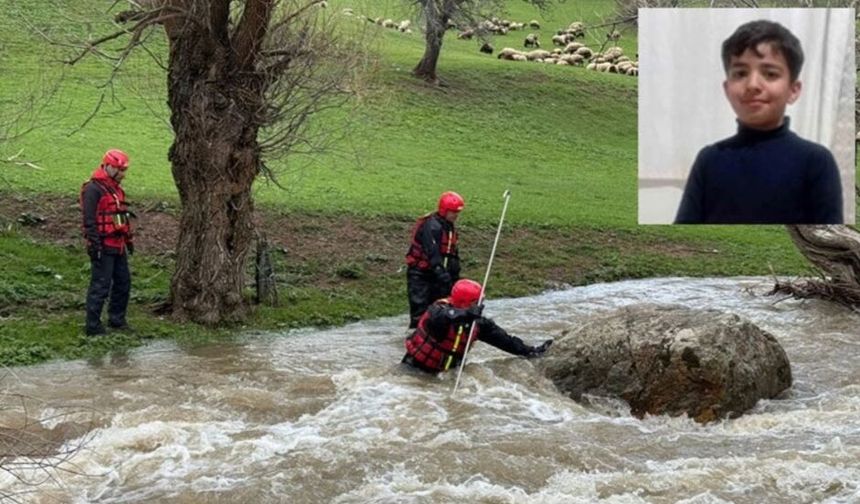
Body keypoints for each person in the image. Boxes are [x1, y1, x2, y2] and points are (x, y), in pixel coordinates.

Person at [674, 19, 843, 225]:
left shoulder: (816, 162)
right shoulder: (710, 160)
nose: (753, 84)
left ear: (793, 90)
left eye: (770, 74)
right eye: (741, 73)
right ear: (727, 89)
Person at [402, 279, 553, 374]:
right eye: (477, 301)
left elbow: (506, 342)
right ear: (465, 302)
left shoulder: (477, 324)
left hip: (446, 374)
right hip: (413, 369)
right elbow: (448, 316)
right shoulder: (437, 312)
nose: (481, 304)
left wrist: (532, 351)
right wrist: (467, 313)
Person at [80, 149, 135, 336]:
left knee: (123, 283)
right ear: (109, 166)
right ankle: (93, 326)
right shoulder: (93, 189)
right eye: (120, 170)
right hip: (102, 245)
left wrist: (127, 240)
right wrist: (94, 245)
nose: (123, 174)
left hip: (118, 244)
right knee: (100, 286)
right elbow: (89, 220)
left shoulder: (116, 190)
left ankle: (117, 321)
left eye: (124, 170)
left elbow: (119, 216)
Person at [405, 191, 464, 329]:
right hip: (421, 274)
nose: (456, 215)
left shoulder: (448, 227)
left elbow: (451, 254)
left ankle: (434, 338)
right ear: (444, 210)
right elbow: (433, 253)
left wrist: (453, 276)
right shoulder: (432, 226)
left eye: (457, 212)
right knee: (420, 310)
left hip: (438, 275)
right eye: (453, 212)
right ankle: (415, 337)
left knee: (439, 309)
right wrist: (441, 273)